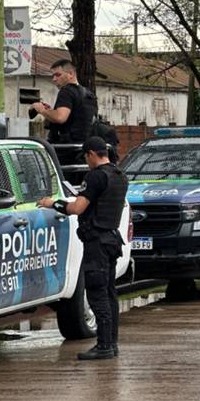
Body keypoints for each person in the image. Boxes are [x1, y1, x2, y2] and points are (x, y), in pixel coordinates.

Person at [38, 137, 128, 360]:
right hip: (112, 240)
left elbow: (77, 208)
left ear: (90, 154)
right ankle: (112, 343)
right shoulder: (119, 175)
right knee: (109, 293)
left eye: (86, 157)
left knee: (97, 294)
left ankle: (104, 345)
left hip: (97, 242)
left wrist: (53, 203)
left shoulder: (96, 176)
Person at [30, 59, 97, 144]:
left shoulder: (66, 91)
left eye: (58, 75)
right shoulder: (88, 93)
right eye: (53, 76)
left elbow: (60, 117)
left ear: (71, 74)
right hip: (83, 146)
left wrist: (41, 109)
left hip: (65, 148)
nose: (54, 79)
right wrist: (50, 111)